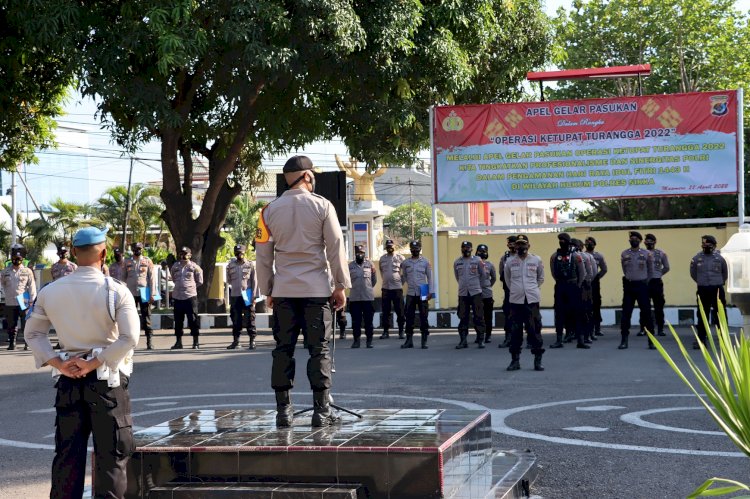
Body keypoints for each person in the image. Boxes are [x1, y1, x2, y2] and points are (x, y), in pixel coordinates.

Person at [24, 226, 139, 499]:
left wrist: (59, 363)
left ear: (73, 253)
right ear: (105, 253)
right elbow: (129, 337)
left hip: (68, 380)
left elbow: (33, 333)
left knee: (67, 458)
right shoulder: (116, 291)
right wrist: (95, 362)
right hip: (107, 383)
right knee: (111, 458)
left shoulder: (51, 291)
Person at [255, 155, 351, 428]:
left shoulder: (269, 210)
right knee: (319, 350)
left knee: (282, 349)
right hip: (317, 291)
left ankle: (283, 412)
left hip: (284, 292)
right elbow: (335, 247)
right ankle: (322, 412)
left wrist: (268, 290)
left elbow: (263, 255)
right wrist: (341, 286)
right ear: (307, 176)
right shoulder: (323, 206)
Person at [503, 235, 545, 371]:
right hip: (515, 301)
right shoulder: (509, 262)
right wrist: (518, 290)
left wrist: (531, 289)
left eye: (524, 244)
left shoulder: (536, 260)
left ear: (529, 246)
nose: (521, 247)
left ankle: (537, 360)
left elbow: (541, 278)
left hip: (531, 300)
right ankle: (515, 361)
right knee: (515, 331)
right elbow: (508, 280)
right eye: (519, 245)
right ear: (515, 247)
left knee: (534, 330)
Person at [689, 235, 727, 349]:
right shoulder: (696, 258)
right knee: (702, 315)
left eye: (708, 244)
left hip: (717, 289)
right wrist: (702, 282)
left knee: (720, 314)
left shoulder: (720, 258)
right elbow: (693, 273)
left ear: (714, 245)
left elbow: (725, 273)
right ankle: (701, 340)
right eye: (704, 244)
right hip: (703, 289)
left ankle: (724, 340)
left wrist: (719, 282)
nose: (706, 246)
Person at [619, 231, 655, 350]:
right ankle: (624, 340)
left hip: (642, 286)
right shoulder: (624, 254)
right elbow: (624, 269)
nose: (633, 240)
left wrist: (645, 281)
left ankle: (651, 341)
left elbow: (651, 270)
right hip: (629, 286)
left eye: (635, 239)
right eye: (631, 239)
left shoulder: (647, 254)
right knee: (626, 314)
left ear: (639, 241)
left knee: (647, 314)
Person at [549, 233, 585, 349]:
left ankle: (580, 340)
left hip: (573, 286)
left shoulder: (575, 256)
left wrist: (577, 285)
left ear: (568, 242)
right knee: (559, 313)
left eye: (563, 240)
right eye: (560, 240)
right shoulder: (554, 256)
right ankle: (559, 339)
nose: (561, 242)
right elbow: (553, 272)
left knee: (577, 313)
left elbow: (582, 273)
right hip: (560, 286)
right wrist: (561, 282)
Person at [400, 240, 433, 349]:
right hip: (410, 292)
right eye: (413, 249)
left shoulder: (426, 262)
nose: (415, 250)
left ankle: (424, 341)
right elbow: (403, 276)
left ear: (420, 249)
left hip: (423, 290)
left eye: (417, 248)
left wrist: (431, 292)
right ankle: (409, 341)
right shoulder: (406, 263)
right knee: (409, 317)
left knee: (424, 316)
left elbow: (430, 278)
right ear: (410, 250)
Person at [453, 240, 487, 349]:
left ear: (472, 249)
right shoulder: (457, 262)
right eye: (464, 247)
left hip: (476, 293)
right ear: (461, 249)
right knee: (463, 317)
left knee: (479, 316)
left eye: (468, 247)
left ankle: (481, 339)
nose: (466, 249)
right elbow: (457, 277)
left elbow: (483, 275)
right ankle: (463, 340)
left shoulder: (478, 260)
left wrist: (477, 286)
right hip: (463, 294)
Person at [124, 242, 157, 350]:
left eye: (139, 248)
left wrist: (153, 294)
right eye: (135, 248)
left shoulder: (147, 261)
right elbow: (123, 279)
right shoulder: (127, 261)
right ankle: (129, 344)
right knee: (129, 317)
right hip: (130, 292)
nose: (137, 250)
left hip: (144, 291)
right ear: (132, 249)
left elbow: (152, 278)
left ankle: (150, 342)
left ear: (142, 249)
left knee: (146, 316)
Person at [2, 248, 36, 350]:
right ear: (11, 258)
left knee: (26, 324)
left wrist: (32, 300)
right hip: (10, 301)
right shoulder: (5, 271)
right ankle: (12, 343)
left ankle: (27, 344)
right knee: (11, 324)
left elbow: (32, 286)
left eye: (18, 258)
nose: (16, 260)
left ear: (22, 258)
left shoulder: (27, 271)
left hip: (23, 301)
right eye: (14, 258)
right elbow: (1, 284)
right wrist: (5, 294)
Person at [170, 246, 203, 350]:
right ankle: (178, 342)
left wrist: (190, 287)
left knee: (193, 319)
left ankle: (195, 342)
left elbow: (200, 281)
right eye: (182, 253)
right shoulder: (175, 266)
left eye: (186, 253)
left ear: (190, 255)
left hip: (190, 297)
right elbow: (174, 278)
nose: (183, 255)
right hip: (178, 297)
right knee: (178, 321)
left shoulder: (194, 267)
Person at [226, 244, 258, 350]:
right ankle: (236, 341)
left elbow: (254, 281)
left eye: (241, 252)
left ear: (245, 252)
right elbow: (229, 280)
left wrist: (254, 296)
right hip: (235, 294)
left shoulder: (250, 265)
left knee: (250, 318)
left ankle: (252, 341)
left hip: (247, 294)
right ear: (235, 253)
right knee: (236, 318)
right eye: (237, 252)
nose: (240, 254)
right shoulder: (230, 265)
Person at [348, 245, 377, 348]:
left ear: (364, 254)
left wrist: (367, 288)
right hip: (355, 298)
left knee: (368, 321)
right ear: (355, 254)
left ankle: (369, 341)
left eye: (361, 252)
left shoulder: (370, 265)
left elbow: (374, 280)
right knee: (356, 321)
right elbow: (348, 280)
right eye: (358, 253)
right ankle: (356, 341)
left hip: (367, 297)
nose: (359, 254)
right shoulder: (350, 266)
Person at [642, 233, 670, 337]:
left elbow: (666, 267)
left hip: (656, 282)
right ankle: (644, 329)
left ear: (655, 242)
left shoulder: (661, 253)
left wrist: (658, 274)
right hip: (644, 282)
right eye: (647, 241)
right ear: (644, 242)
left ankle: (660, 329)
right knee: (645, 306)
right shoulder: (641, 253)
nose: (649, 243)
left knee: (659, 306)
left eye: (651, 241)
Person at [378, 238, 405, 339]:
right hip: (385, 288)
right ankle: (386, 331)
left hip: (397, 288)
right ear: (386, 248)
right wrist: (385, 279)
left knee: (400, 311)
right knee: (386, 312)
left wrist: (400, 282)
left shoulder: (400, 258)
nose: (390, 248)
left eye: (391, 246)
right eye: (388, 247)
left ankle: (401, 331)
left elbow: (405, 272)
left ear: (394, 247)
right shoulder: (382, 259)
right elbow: (381, 271)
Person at [573, 238, 596, 344]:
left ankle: (589, 334)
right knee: (574, 312)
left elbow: (593, 272)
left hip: (584, 287)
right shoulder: (569, 257)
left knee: (586, 311)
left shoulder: (587, 256)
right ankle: (576, 334)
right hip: (573, 286)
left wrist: (585, 282)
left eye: (576, 245)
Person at [584, 236, 608, 337]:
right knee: (586, 306)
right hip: (584, 283)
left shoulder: (599, 256)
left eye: (591, 243)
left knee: (596, 305)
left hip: (594, 283)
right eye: (587, 243)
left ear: (594, 245)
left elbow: (604, 269)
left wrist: (597, 277)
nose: (589, 244)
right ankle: (587, 329)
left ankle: (597, 328)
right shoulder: (582, 255)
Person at [498, 235, 517, 348]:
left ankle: (530, 339)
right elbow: (501, 274)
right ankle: (508, 338)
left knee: (526, 315)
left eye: (513, 243)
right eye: (509, 243)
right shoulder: (504, 258)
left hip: (521, 290)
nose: (511, 245)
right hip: (509, 290)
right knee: (508, 315)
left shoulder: (523, 256)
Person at [476, 244, 496, 343]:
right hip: (476, 293)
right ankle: (479, 335)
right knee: (478, 316)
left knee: (488, 316)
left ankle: (488, 335)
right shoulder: (473, 263)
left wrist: (487, 285)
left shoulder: (490, 264)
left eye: (484, 251)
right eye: (480, 251)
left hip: (487, 293)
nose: (482, 253)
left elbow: (494, 278)